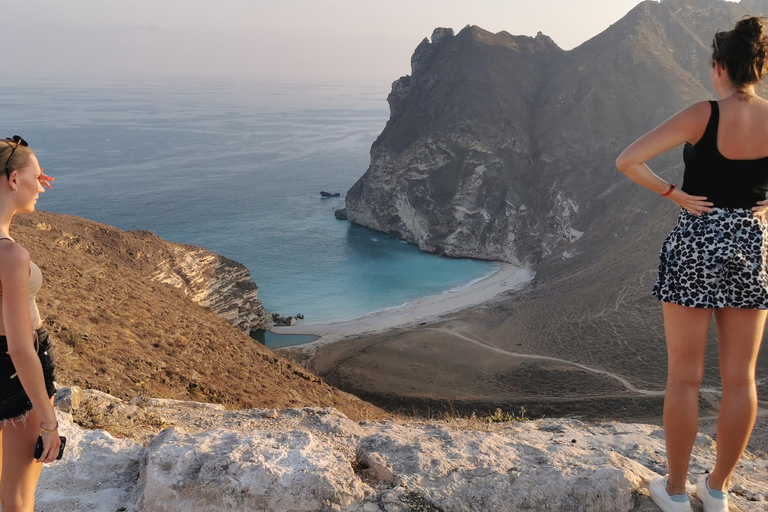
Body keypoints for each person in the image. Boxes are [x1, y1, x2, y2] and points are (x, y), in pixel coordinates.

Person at [616, 15, 768, 512]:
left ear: (719, 67)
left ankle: (677, 493)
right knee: (741, 379)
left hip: (697, 243)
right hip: (751, 243)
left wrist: (675, 194)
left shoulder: (702, 114)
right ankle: (718, 489)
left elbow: (628, 160)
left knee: (683, 377)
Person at [0, 135, 58, 511]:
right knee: (17, 497)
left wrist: (30, 173)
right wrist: (50, 423)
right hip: (14, 373)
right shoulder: (10, 254)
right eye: (37, 178)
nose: (43, 185)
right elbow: (20, 347)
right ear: (11, 180)